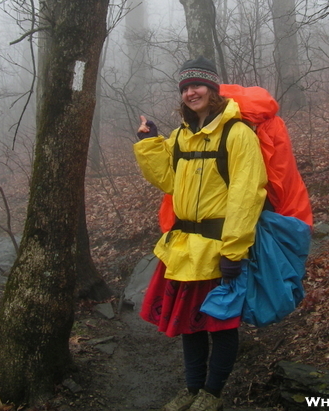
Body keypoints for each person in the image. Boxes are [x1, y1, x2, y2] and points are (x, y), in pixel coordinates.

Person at [133, 56, 267, 411]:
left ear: (213, 89)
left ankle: (212, 394)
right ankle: (192, 390)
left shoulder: (238, 134)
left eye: (198, 85)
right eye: (186, 88)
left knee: (221, 326)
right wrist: (149, 142)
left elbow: (247, 193)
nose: (192, 92)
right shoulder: (181, 136)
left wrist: (234, 251)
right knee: (189, 326)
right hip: (184, 248)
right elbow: (167, 181)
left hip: (219, 247)